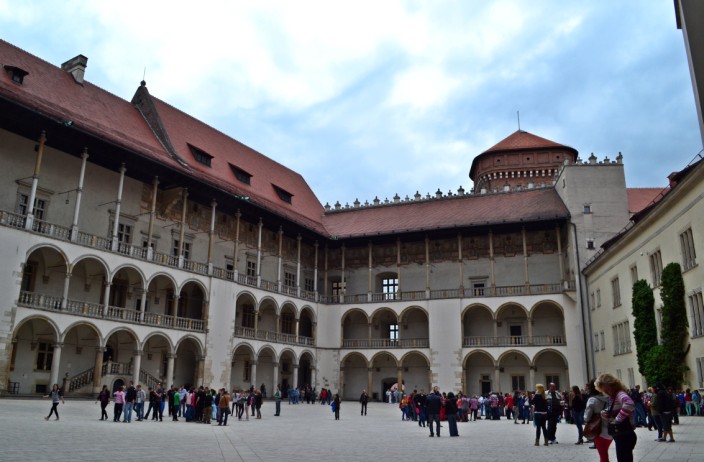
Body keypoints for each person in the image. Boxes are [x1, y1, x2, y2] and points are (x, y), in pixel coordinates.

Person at [595, 373, 636, 462]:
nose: (605, 392)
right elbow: (616, 408)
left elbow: (629, 404)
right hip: (623, 433)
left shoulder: (619, 394)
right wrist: (605, 412)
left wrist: (617, 420)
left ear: (612, 385)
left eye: (606, 389)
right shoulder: (614, 396)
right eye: (603, 390)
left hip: (624, 434)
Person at [584, 380, 611, 462]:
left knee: (603, 457)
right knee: (604, 454)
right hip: (611, 429)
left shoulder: (592, 400)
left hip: (598, 430)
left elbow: (587, 417)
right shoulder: (609, 398)